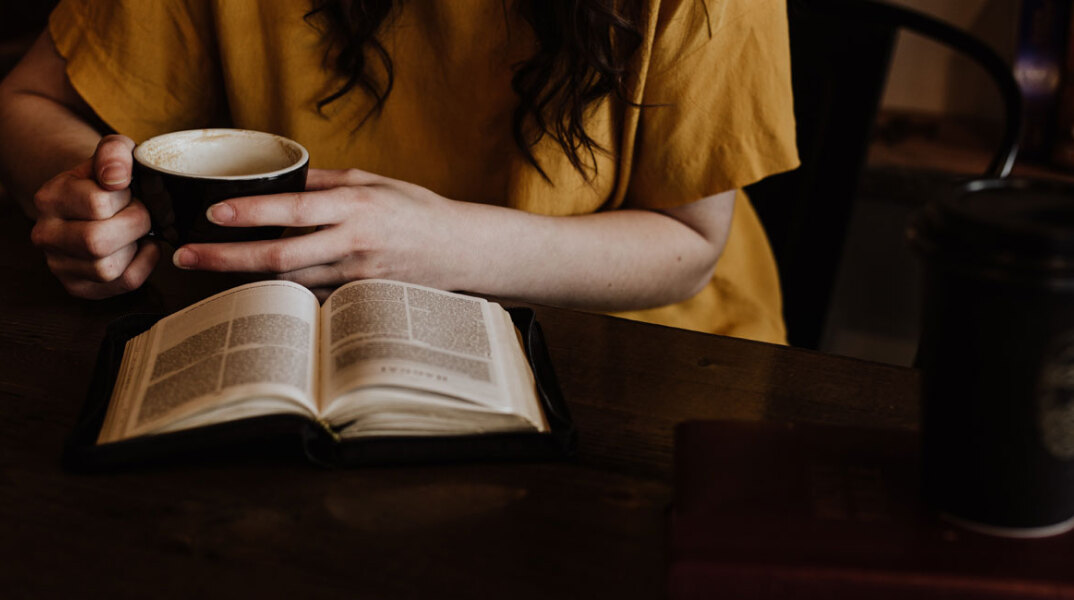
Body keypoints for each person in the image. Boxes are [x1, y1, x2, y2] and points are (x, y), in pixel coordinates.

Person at [0, 0, 798, 344]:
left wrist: (443, 248)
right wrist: (90, 198)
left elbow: (691, 244)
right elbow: (28, 99)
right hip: (281, 336)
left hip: (625, 343)